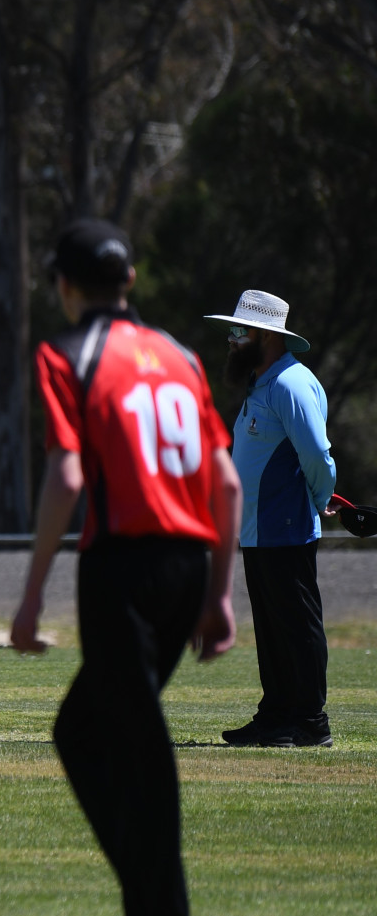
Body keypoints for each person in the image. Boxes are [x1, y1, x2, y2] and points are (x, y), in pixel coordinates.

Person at [11, 219, 241, 916]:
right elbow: (227, 483)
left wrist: (33, 590)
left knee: (139, 756)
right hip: (185, 564)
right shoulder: (180, 355)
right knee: (82, 732)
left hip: (121, 567)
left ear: (65, 286)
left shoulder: (66, 355)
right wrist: (217, 591)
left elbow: (68, 472)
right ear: (132, 279)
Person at [205, 290, 337, 748]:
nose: (231, 340)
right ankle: (276, 716)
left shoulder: (290, 384)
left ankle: (310, 721)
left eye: (238, 331)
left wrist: (321, 498)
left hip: (285, 527)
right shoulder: (262, 382)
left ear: (265, 336)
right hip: (258, 531)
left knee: (297, 624)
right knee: (271, 625)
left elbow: (317, 454)